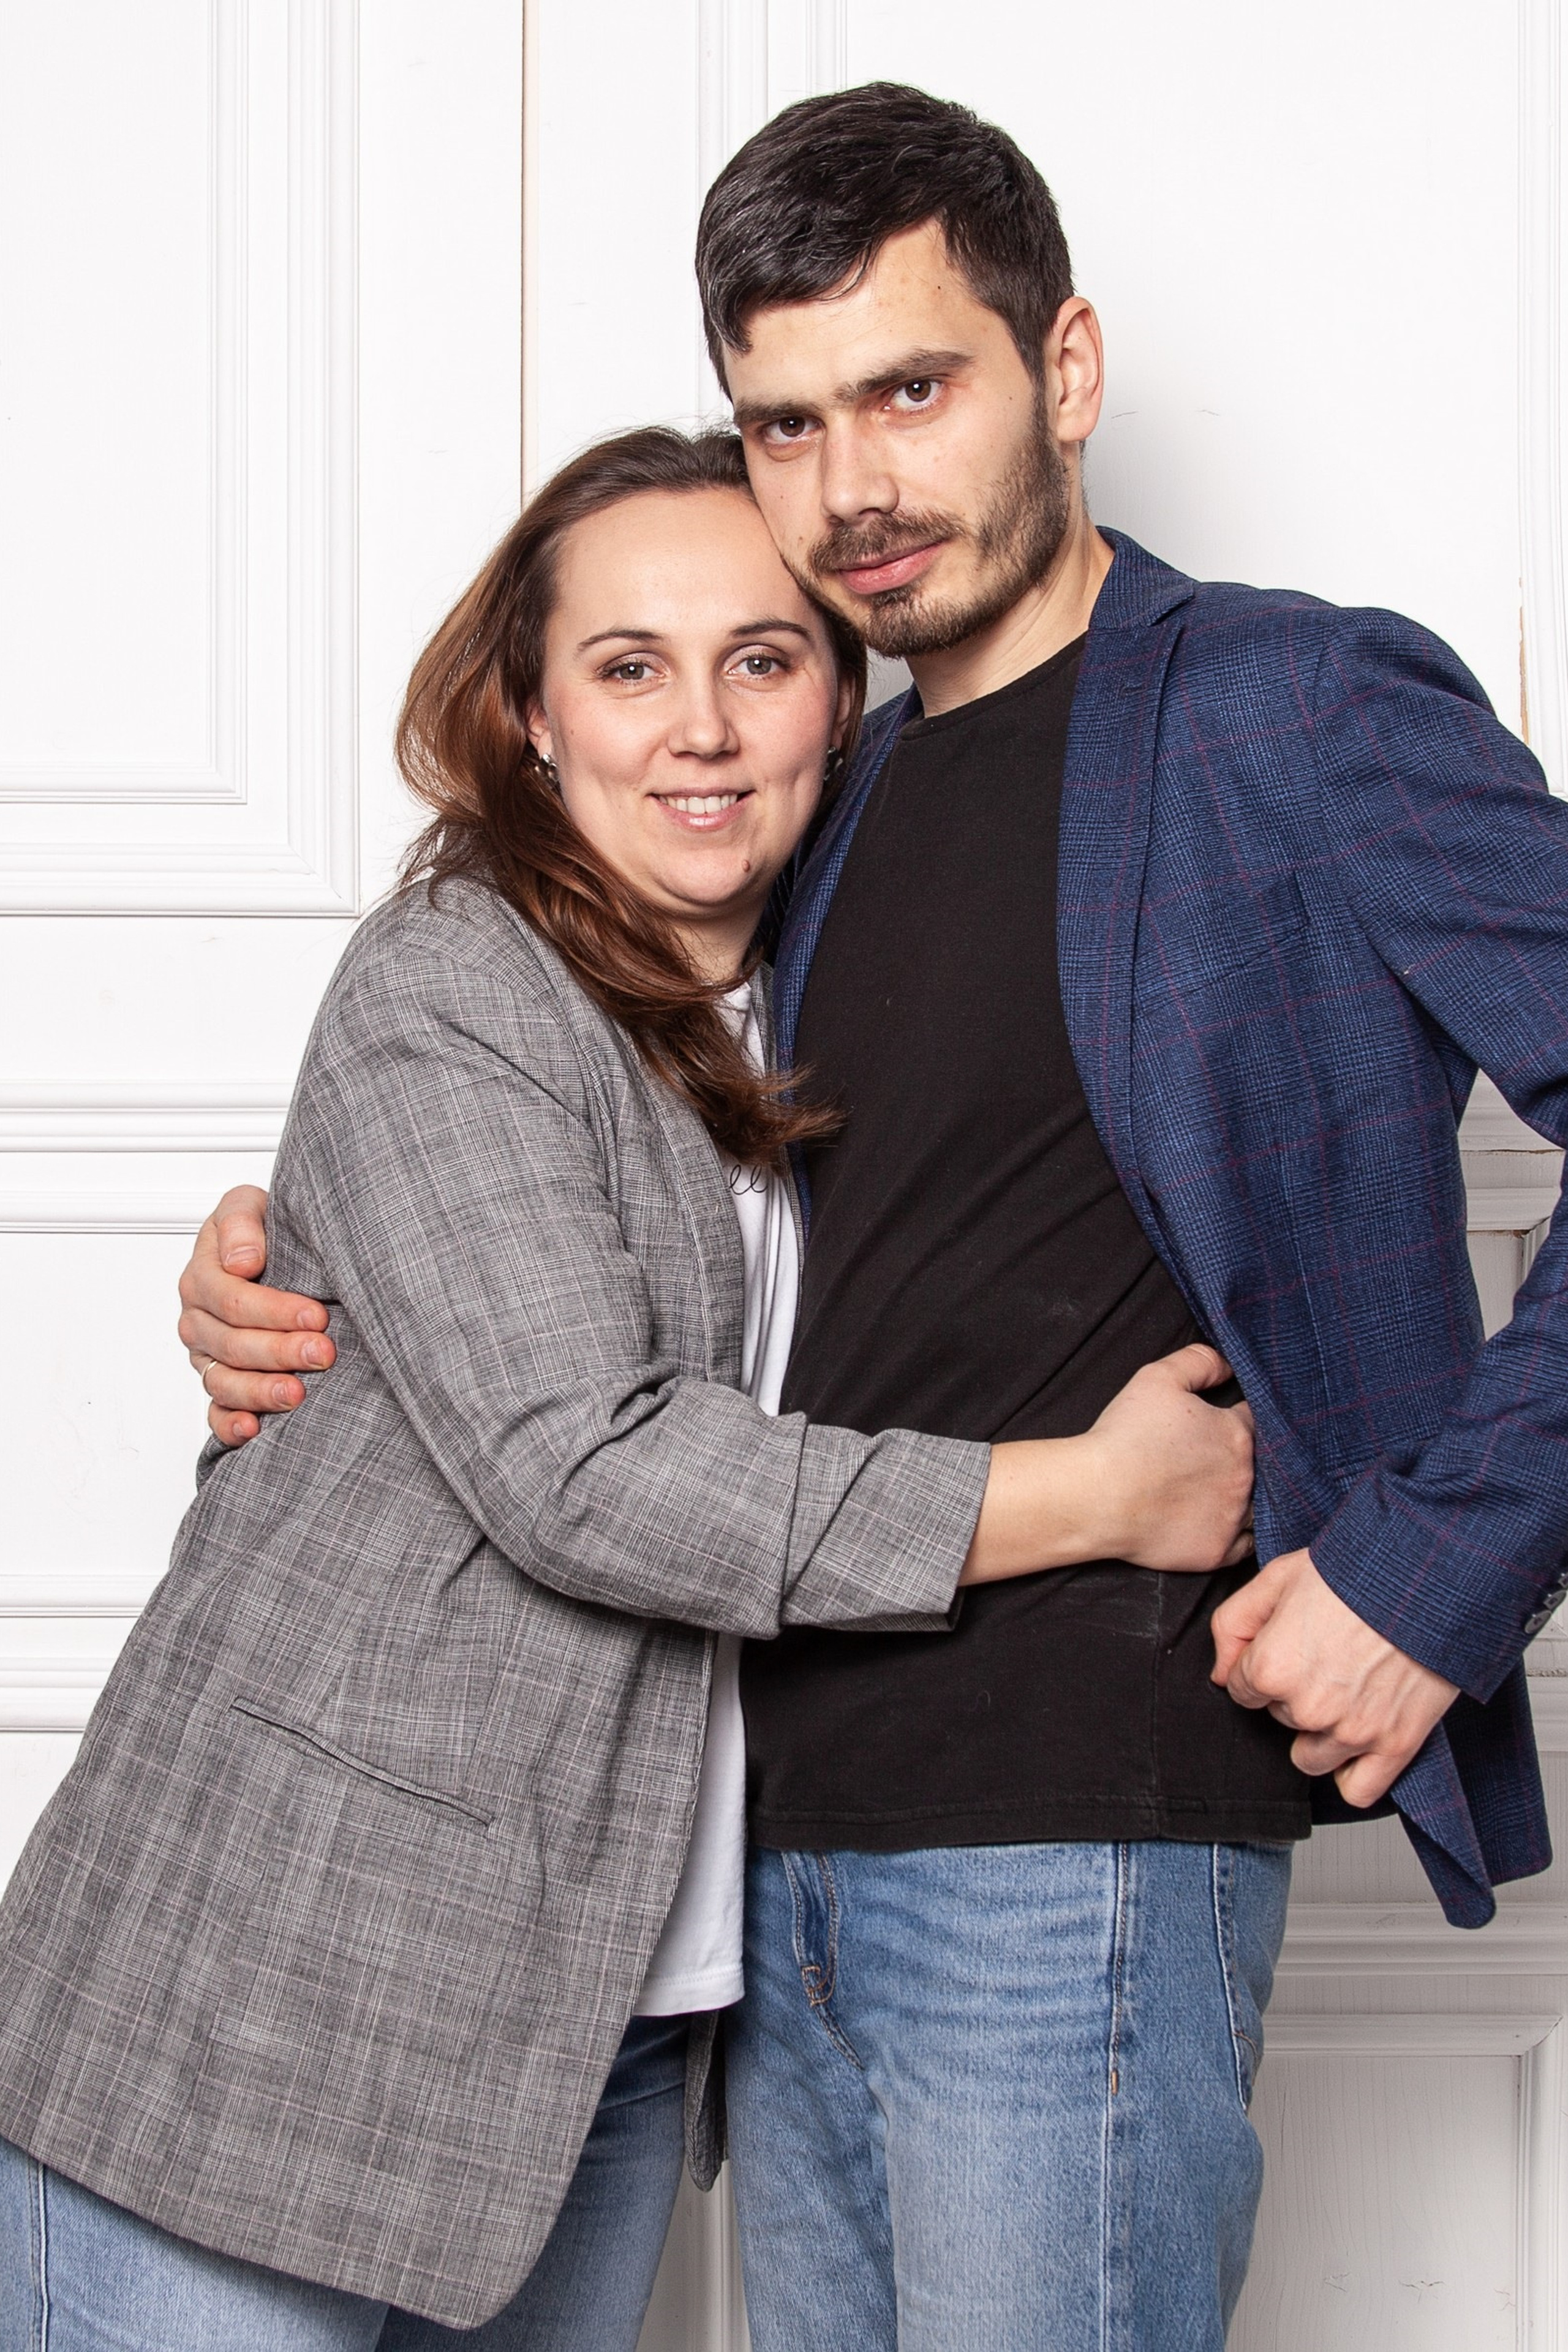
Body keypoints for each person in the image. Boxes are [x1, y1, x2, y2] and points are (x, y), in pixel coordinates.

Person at [176, 81, 1568, 2352]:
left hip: (1080, 1833)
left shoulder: (1290, 712)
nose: (853, 488)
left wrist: (1432, 1572)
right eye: (786, 425)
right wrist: (288, 1259)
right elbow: (587, 1189)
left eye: (911, 390)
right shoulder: (817, 784)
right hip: (755, 1865)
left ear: (1069, 371)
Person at [0, 426, 1256, 2351]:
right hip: (275, 1993)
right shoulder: (456, 985)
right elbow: (579, 1466)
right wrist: (1100, 1497)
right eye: (628, 666)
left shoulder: (836, 991)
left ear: (843, 698)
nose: (702, 728)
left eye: (762, 659)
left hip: (601, 2031)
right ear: (527, 717)